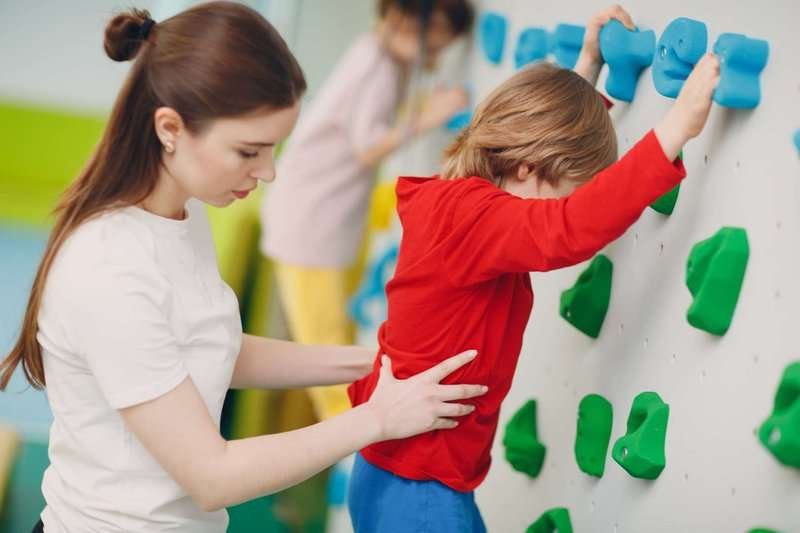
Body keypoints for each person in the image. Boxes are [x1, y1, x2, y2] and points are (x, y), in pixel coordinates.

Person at [0, 4, 487, 532]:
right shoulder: (109, 269)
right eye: (249, 151)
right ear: (171, 128)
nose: (270, 171)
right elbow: (213, 476)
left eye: (273, 148)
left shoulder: (182, 215)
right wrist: (378, 418)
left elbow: (208, 346)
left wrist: (375, 361)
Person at [347, 5, 721, 532]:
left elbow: (549, 158)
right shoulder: (473, 219)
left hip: (402, 469)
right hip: (420, 484)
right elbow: (567, 228)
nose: (567, 204)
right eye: (570, 189)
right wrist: (674, 130)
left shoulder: (459, 205)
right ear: (528, 166)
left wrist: (586, 72)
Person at [260, 0, 475, 421]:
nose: (435, 56)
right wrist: (428, 116)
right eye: (434, 44)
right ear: (409, 23)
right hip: (309, 226)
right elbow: (367, 145)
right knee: (323, 350)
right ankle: (351, 436)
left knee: (329, 344)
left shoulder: (377, 55)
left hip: (315, 220)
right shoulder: (376, 65)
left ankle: (353, 430)